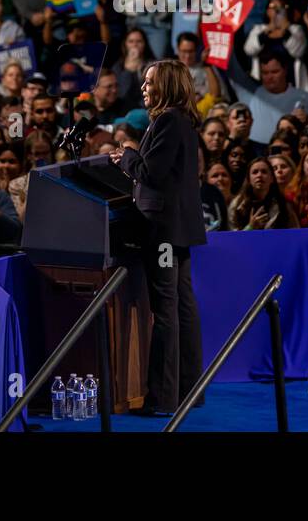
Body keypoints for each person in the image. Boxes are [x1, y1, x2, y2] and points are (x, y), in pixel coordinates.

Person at [109, 59, 206, 416]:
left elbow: (152, 173)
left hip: (163, 231)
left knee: (166, 311)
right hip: (176, 229)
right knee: (182, 306)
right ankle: (188, 390)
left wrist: (129, 156)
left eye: (149, 82)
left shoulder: (168, 120)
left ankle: (163, 399)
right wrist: (135, 157)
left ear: (165, 85)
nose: (143, 88)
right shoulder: (179, 121)